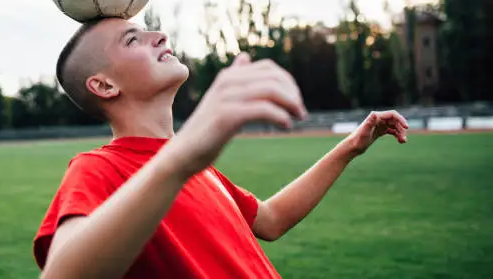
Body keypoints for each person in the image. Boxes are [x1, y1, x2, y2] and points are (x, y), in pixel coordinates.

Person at [33, 18, 409, 279]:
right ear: (104, 86)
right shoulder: (97, 168)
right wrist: (180, 160)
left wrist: (350, 147)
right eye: (132, 39)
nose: (160, 35)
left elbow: (271, 219)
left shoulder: (199, 169)